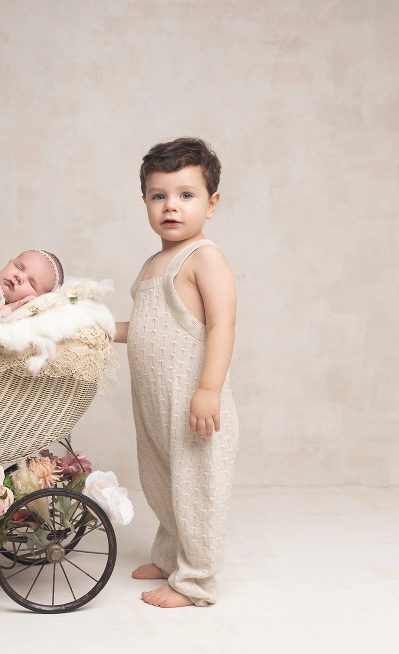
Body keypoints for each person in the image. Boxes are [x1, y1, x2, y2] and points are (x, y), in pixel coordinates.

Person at [113, 137, 240, 608]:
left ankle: (196, 581)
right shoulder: (153, 264)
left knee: (196, 488)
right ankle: (170, 557)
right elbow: (146, 327)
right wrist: (97, 327)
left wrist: (208, 389)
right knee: (162, 482)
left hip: (193, 401)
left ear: (212, 203)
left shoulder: (204, 257)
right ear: (144, 200)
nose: (172, 206)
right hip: (153, 399)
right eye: (159, 195)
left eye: (187, 195)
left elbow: (221, 325)